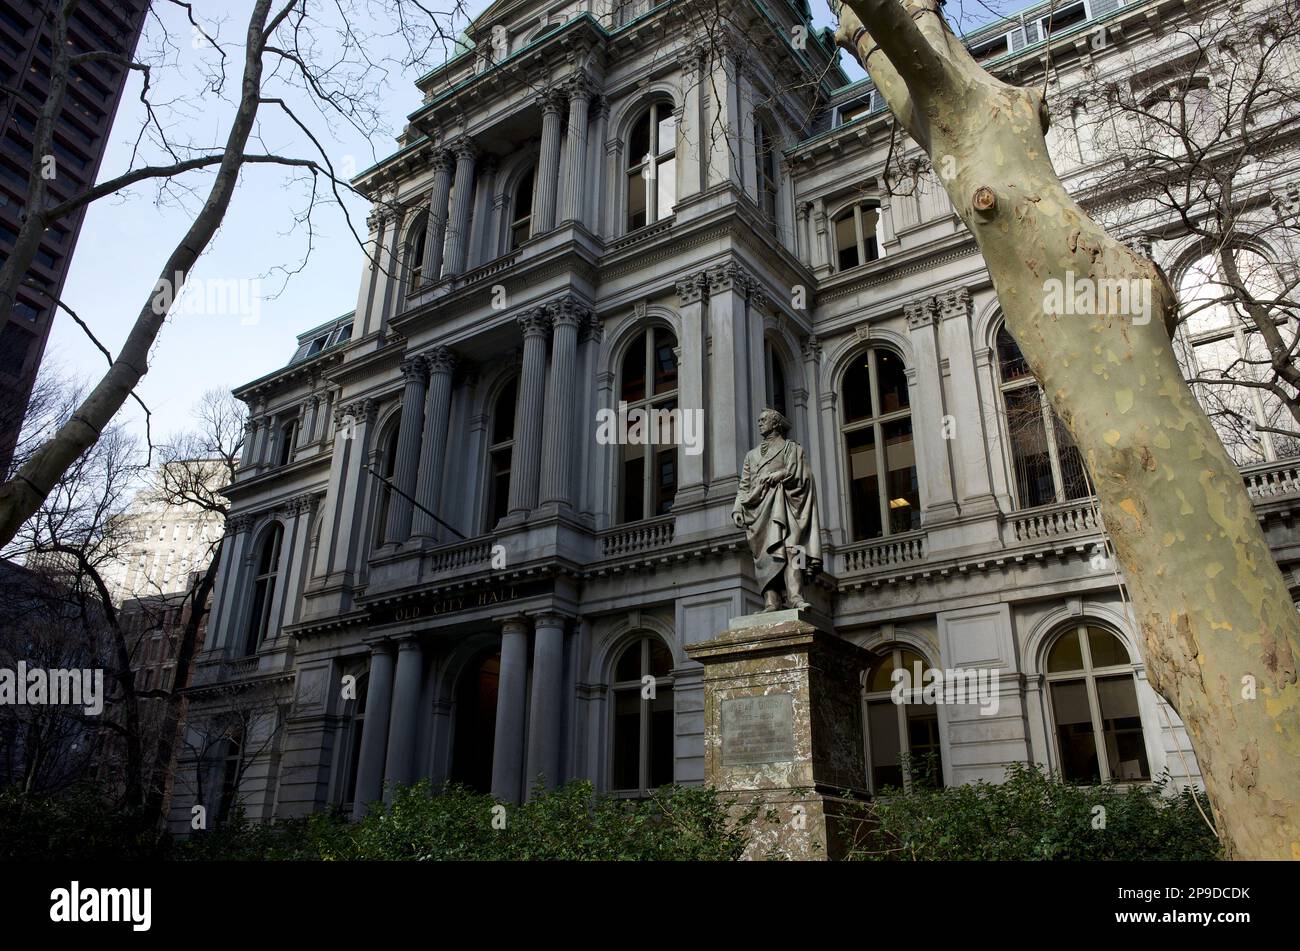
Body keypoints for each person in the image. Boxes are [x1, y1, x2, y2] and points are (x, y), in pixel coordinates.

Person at [731, 408, 822, 611]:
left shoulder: (792, 449)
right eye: (759, 420)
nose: (760, 423)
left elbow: (804, 476)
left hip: (789, 505)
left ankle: (796, 597)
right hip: (760, 512)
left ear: (775, 423)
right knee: (766, 557)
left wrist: (779, 475)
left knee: (793, 551)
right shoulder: (751, 456)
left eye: (764, 419)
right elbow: (744, 486)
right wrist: (737, 509)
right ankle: (771, 601)